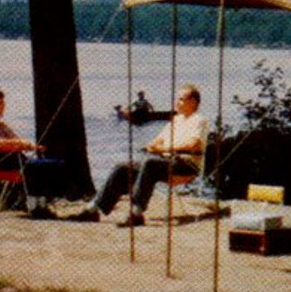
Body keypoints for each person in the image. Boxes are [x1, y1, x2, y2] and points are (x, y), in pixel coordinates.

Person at [77, 83, 208, 227]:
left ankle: (136, 213)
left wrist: (164, 148)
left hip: (186, 164)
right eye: (177, 98)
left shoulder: (199, 120)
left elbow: (194, 144)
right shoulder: (176, 120)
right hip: (165, 162)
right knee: (122, 168)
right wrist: (154, 146)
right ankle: (93, 209)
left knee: (150, 163)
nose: (176, 102)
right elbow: (155, 142)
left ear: (193, 102)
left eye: (181, 99)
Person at [0, 89, 59, 219]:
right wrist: (14, 143)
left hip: (14, 161)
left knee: (46, 166)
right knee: (34, 168)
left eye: (3, 102)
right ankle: (35, 207)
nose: (3, 105)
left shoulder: (2, 126)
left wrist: (33, 146)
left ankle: (40, 205)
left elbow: (18, 140)